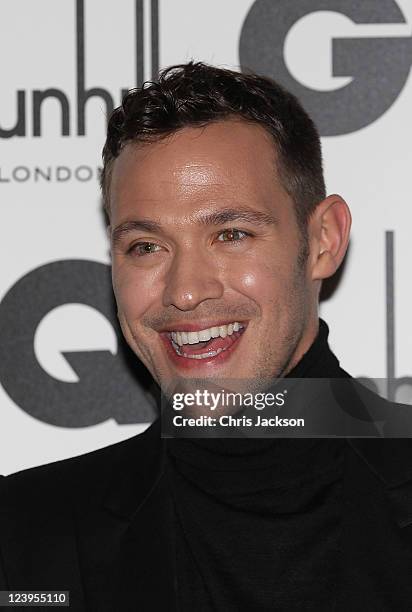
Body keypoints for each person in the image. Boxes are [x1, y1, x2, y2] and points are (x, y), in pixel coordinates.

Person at [1, 61, 412, 611]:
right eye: (146, 246)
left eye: (231, 234)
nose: (186, 292)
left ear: (323, 241)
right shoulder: (25, 535)